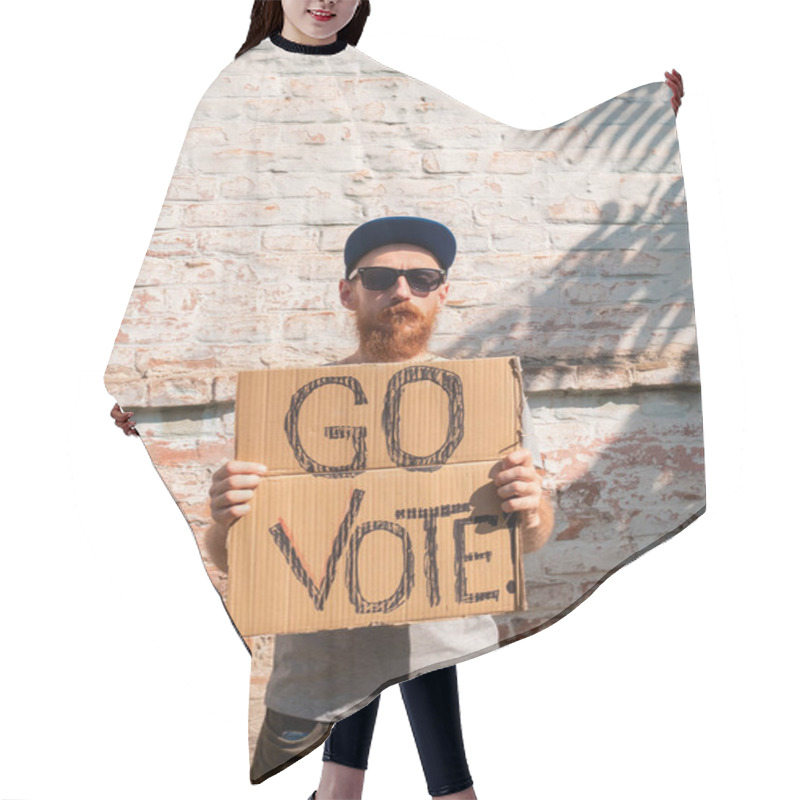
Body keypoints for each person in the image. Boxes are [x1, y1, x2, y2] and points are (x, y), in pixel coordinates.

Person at [205, 215, 554, 799]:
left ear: (443, 292)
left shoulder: (488, 403)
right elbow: (231, 557)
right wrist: (224, 520)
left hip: (449, 647)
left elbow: (530, 539)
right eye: (380, 277)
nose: (401, 291)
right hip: (316, 668)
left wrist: (533, 508)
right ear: (349, 292)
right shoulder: (287, 410)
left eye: (421, 277)